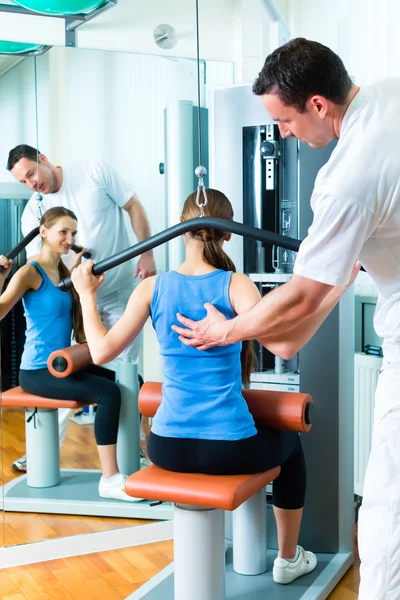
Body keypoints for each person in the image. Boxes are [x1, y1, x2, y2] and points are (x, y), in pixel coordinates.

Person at [170, 38, 400, 600]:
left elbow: (300, 297)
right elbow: (324, 289)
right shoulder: (390, 97)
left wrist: (223, 330)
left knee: (384, 517)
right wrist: (287, 333)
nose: (282, 135)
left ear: (319, 104)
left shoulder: (347, 177)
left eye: (285, 120)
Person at [71, 188, 356, 584]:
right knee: (290, 447)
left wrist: (86, 294)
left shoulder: (153, 287)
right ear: (227, 235)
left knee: (266, 443)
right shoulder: (234, 284)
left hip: (165, 446)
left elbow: (100, 351)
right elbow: (287, 345)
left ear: (182, 231)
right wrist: (338, 288)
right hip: (227, 449)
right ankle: (288, 559)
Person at [6, 144, 156, 472]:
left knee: (128, 374)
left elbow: (133, 206)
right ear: (46, 232)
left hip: (115, 295)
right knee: (72, 373)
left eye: (32, 173)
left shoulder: (92, 172)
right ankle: (42, 453)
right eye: (24, 181)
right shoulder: (33, 213)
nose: (32, 184)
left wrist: (147, 254)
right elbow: (40, 273)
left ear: (43, 159)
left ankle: (134, 450)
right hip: (75, 301)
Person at [0, 207, 141, 502]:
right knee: (109, 393)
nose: (69, 238)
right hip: (38, 371)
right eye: (63, 231)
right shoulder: (30, 271)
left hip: (63, 363)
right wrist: (1, 278)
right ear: (43, 231)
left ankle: (132, 462)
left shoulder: (64, 271)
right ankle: (110, 478)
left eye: (73, 233)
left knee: (132, 381)